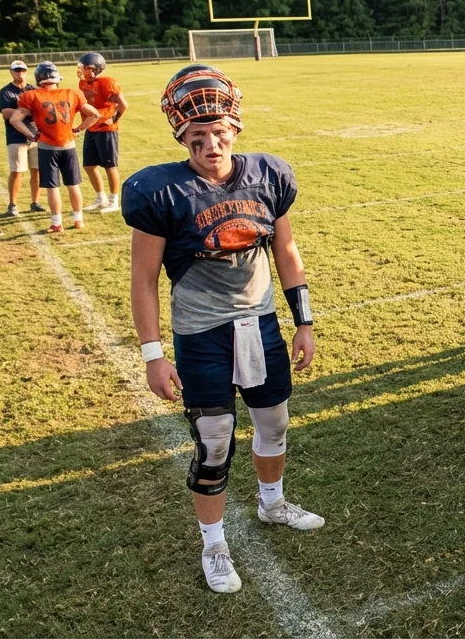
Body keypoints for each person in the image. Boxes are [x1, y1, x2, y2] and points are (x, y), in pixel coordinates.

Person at [123, 63, 323, 594]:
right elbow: (143, 279)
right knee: (213, 443)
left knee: (274, 424)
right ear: (181, 138)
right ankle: (214, 544)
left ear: (234, 130)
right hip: (201, 333)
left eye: (218, 134)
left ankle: (272, 503)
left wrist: (303, 321)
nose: (210, 145)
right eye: (197, 137)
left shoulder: (268, 176)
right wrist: (152, 354)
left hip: (260, 323)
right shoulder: (161, 191)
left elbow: (286, 250)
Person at [12, 62, 102, 233]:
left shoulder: (31, 95)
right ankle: (78, 219)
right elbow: (95, 114)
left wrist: (31, 135)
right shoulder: (72, 93)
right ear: (56, 78)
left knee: (53, 187)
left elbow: (15, 119)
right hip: (68, 144)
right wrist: (79, 129)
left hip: (47, 146)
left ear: (39, 79)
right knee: (73, 184)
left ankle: (56, 222)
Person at [78, 52, 129, 214]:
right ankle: (101, 198)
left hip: (106, 130)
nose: (81, 70)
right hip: (92, 127)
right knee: (89, 165)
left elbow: (123, 105)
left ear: (95, 69)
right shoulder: (83, 83)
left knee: (109, 165)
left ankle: (114, 200)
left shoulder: (107, 83)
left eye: (84, 67)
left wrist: (113, 120)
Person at [0, 60, 42, 216]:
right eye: (17, 70)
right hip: (15, 137)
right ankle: (13, 204)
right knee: (17, 171)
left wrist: (20, 111)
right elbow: (6, 113)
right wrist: (28, 111)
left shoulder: (33, 89)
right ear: (11, 72)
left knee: (36, 170)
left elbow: (41, 109)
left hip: (35, 134)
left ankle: (35, 202)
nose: (20, 73)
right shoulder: (6, 92)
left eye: (22, 70)